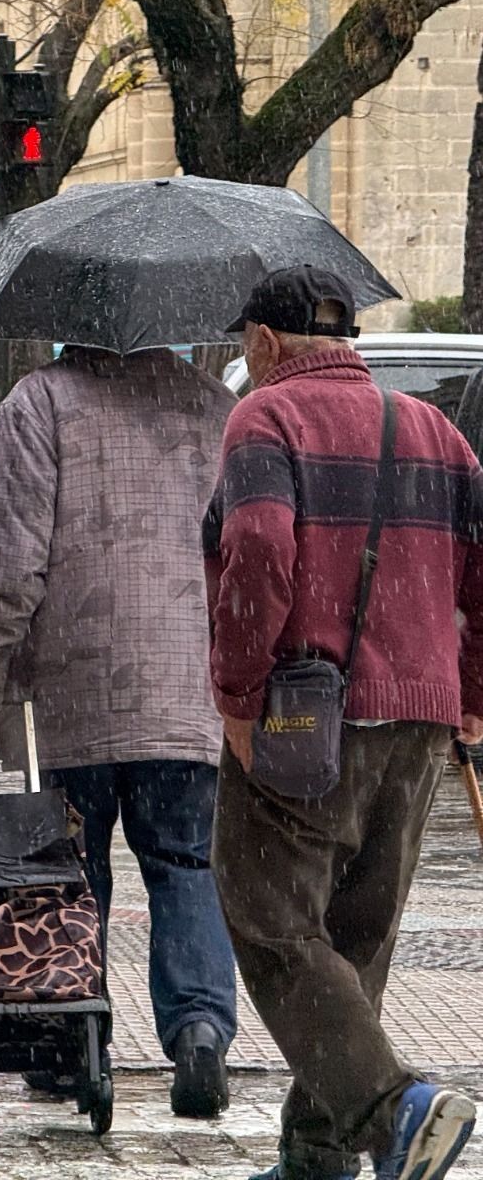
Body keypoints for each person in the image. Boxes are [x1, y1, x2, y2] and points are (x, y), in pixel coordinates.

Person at [208, 266, 481, 1180]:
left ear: (264, 342)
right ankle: (317, 1160)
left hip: (305, 717)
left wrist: (238, 695)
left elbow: (254, 547)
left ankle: (392, 1109)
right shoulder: (435, 431)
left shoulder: (265, 418)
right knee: (357, 936)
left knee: (271, 919)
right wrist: (470, 694)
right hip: (418, 720)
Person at [0, 342, 238, 1118]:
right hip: (186, 696)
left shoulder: (40, 405)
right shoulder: (215, 408)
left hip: (68, 705)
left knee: (70, 878)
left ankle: (73, 1042)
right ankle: (200, 1027)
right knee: (187, 864)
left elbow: (3, 568)